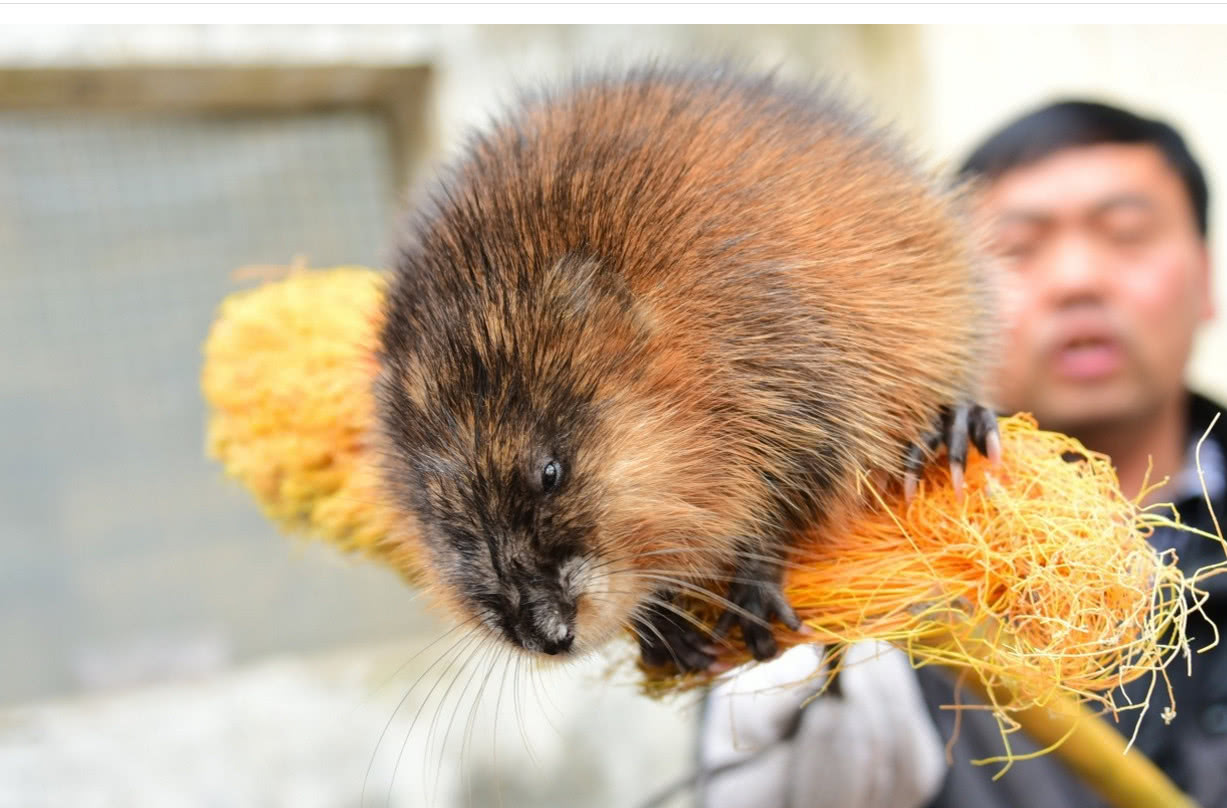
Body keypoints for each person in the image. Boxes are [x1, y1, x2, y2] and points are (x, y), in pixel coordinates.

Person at [696, 99, 1227, 808]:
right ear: (950, 291)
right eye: (1017, 246)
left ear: (1205, 277)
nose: (1076, 279)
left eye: (1125, 234)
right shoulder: (837, 557)